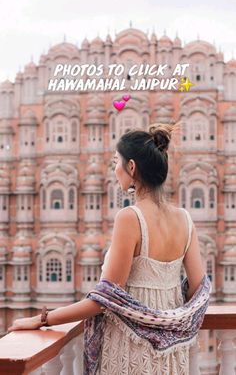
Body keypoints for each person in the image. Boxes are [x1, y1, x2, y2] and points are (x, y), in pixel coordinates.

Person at [8, 122, 207, 375]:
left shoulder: (130, 218)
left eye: (117, 162)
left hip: (131, 349)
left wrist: (41, 319)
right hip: (171, 354)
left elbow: (105, 299)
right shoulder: (185, 220)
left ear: (131, 167)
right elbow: (199, 291)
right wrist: (165, 316)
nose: (115, 170)